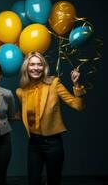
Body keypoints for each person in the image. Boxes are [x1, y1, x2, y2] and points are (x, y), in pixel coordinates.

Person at [16, 52, 86, 185]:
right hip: (33, 144)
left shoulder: (54, 84)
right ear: (26, 67)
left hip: (53, 143)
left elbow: (78, 106)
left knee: (54, 181)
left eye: (39, 64)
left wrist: (76, 84)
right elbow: (22, 115)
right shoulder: (21, 91)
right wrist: (0, 114)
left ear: (44, 67)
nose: (35, 68)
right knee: (33, 181)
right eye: (32, 64)